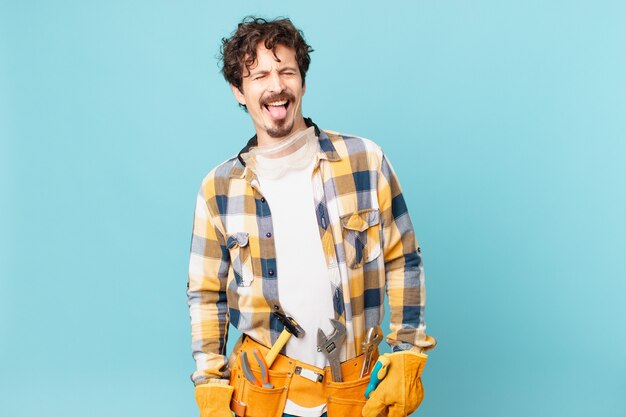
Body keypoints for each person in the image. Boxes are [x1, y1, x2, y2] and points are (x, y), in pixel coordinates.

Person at [187, 16, 435, 417]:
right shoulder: (218, 188)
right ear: (238, 90)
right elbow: (205, 294)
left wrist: (407, 353)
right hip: (264, 392)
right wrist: (211, 380)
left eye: (287, 71)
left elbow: (403, 259)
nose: (276, 86)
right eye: (259, 75)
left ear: (302, 81)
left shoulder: (365, 161)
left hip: (356, 389)